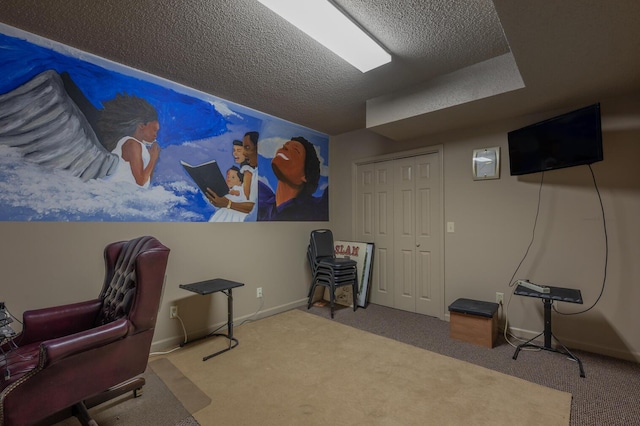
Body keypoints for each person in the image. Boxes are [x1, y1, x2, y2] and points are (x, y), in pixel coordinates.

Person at [96, 94, 161, 188]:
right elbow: (140, 181)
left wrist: (152, 160)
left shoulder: (139, 146)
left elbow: (146, 182)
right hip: (116, 190)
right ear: (142, 126)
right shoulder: (132, 144)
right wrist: (152, 159)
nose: (155, 134)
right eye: (154, 129)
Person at [258, 136, 328, 221]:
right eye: (285, 145)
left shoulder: (315, 209)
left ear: (305, 176)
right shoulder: (264, 202)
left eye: (295, 151)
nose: (285, 147)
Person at [206, 131, 258, 217]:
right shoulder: (246, 171)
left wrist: (228, 203)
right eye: (234, 150)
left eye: (239, 150)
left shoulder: (247, 171)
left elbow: (248, 199)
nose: (235, 153)